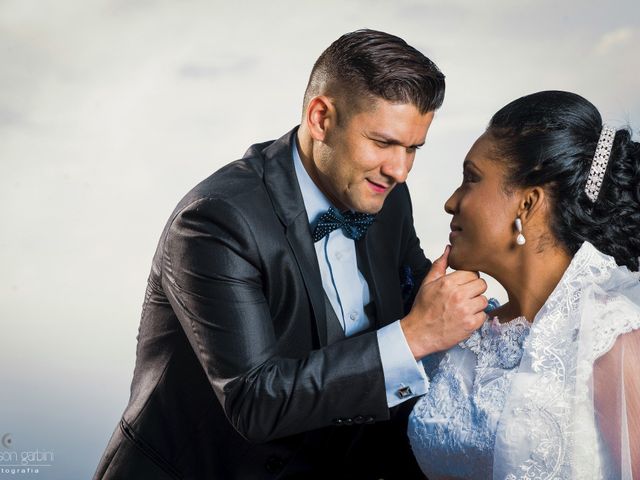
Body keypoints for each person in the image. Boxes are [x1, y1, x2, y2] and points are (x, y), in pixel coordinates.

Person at [94, 29, 488, 479]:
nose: (399, 169)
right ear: (321, 118)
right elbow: (254, 402)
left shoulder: (388, 196)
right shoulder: (217, 221)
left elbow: (417, 295)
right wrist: (413, 336)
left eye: (412, 148)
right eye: (382, 143)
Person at [408, 90, 640, 479]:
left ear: (528, 204)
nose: (451, 202)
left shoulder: (609, 339)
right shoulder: (463, 333)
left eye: (470, 179)